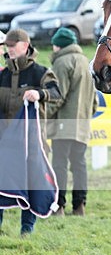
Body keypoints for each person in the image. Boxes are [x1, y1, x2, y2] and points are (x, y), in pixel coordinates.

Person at [0, 28, 61, 235]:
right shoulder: (3, 74)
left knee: (32, 181)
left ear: (25, 46)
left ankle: (27, 228)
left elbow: (57, 93)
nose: (9, 49)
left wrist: (40, 93)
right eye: (6, 46)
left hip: (33, 141)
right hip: (5, 142)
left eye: (12, 45)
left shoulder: (41, 72)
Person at [49, 27, 98, 216]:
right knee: (79, 165)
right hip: (82, 124)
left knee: (59, 164)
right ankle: (79, 206)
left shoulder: (62, 62)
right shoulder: (85, 61)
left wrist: (43, 115)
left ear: (58, 45)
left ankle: (58, 206)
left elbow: (57, 96)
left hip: (64, 124)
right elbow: (94, 101)